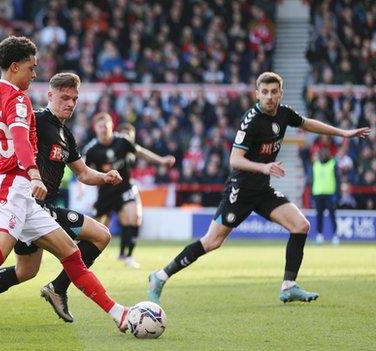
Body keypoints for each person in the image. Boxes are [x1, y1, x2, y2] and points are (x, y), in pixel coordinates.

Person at [0, 36, 131, 332]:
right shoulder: (19, 101)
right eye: (32, 68)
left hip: (25, 194)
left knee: (68, 254)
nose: (34, 74)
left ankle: (118, 313)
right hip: (14, 184)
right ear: (15, 67)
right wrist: (32, 174)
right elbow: (18, 138)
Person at [147, 72, 371, 304]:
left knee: (301, 225)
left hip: (262, 189)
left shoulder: (284, 113)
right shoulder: (251, 121)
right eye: (264, 92)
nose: (269, 97)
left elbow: (307, 124)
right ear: (257, 94)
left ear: (280, 93)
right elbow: (235, 159)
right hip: (241, 189)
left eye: (274, 92)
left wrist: (343, 133)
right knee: (212, 241)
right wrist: (263, 168)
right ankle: (160, 276)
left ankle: (289, 286)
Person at [0, 72, 121, 323]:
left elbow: (82, 173)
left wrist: (104, 178)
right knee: (101, 235)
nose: (70, 104)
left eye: (74, 99)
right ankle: (58, 289)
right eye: (64, 97)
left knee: (26, 271)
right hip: (31, 203)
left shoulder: (66, 136)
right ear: (50, 95)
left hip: (36, 209)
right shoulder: (35, 119)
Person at [84, 113, 175, 268]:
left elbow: (140, 153)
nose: (104, 129)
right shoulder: (91, 150)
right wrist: (83, 187)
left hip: (124, 187)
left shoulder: (122, 141)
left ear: (112, 126)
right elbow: (85, 172)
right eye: (101, 127)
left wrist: (161, 161)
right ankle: (82, 258)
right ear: (95, 129)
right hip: (105, 193)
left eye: (106, 125)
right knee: (97, 231)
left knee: (134, 216)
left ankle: (127, 256)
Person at [312, 147, 340, 245]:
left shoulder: (333, 163)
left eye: (325, 153)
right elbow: (312, 180)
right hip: (318, 194)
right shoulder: (315, 164)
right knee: (319, 216)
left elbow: (338, 180)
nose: (323, 155)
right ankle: (319, 235)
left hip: (330, 194)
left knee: (332, 216)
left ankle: (335, 235)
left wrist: (337, 194)